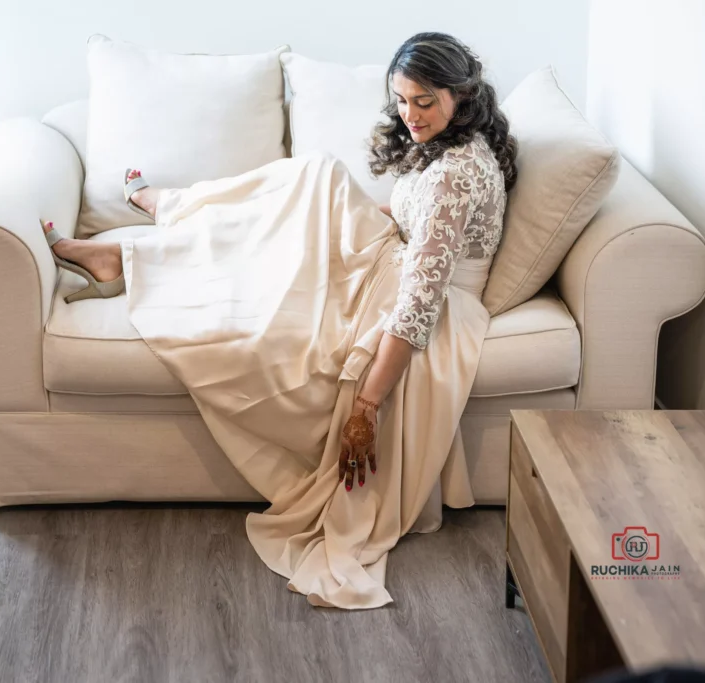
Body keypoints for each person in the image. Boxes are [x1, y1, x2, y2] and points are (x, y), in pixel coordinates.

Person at [40, 32, 518, 609]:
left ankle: (136, 243)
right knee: (311, 184)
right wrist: (346, 220)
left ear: (460, 96)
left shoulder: (454, 174)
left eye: (424, 102)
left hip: (421, 301)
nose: (409, 115)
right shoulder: (452, 145)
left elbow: (418, 306)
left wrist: (366, 406)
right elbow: (407, 213)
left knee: (300, 209)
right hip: (397, 258)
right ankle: (151, 229)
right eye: (401, 99)